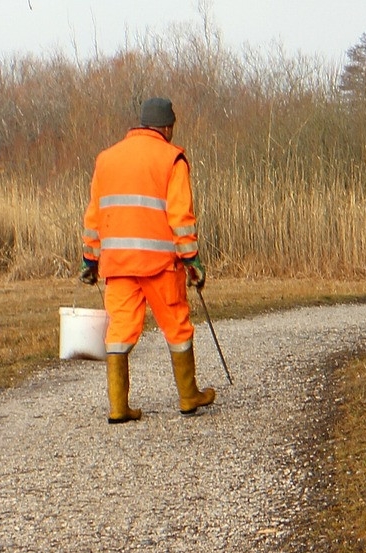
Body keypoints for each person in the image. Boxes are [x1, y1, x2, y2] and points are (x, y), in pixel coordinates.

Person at [78, 97, 215, 424]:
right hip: (160, 265)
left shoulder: (106, 159)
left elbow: (95, 215)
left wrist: (89, 259)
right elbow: (181, 216)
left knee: (120, 330)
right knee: (177, 326)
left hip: (118, 264)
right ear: (167, 127)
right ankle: (187, 397)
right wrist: (192, 259)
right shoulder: (172, 159)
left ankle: (118, 407)